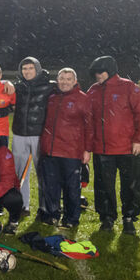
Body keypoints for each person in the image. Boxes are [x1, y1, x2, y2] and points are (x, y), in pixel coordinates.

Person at [87, 55, 140, 234]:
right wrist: (88, 147)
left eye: (101, 72)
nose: (98, 75)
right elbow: (88, 121)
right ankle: (107, 218)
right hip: (102, 149)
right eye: (95, 73)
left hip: (128, 149)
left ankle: (129, 218)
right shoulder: (93, 91)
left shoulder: (129, 87)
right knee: (103, 187)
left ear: (111, 70)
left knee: (130, 185)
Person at [38, 68, 92, 228]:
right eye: (62, 78)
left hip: (71, 151)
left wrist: (87, 149)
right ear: (57, 80)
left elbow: (90, 127)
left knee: (71, 187)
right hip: (50, 150)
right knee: (51, 186)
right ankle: (52, 215)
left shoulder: (83, 99)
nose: (65, 82)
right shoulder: (51, 97)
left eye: (69, 79)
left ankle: (71, 219)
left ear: (75, 81)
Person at [11, 57, 55, 219]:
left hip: (39, 135)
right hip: (19, 134)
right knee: (19, 173)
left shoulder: (49, 86)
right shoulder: (18, 86)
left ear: (37, 68)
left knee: (43, 173)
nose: (27, 71)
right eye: (24, 69)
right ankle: (23, 205)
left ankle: (44, 208)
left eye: (30, 68)